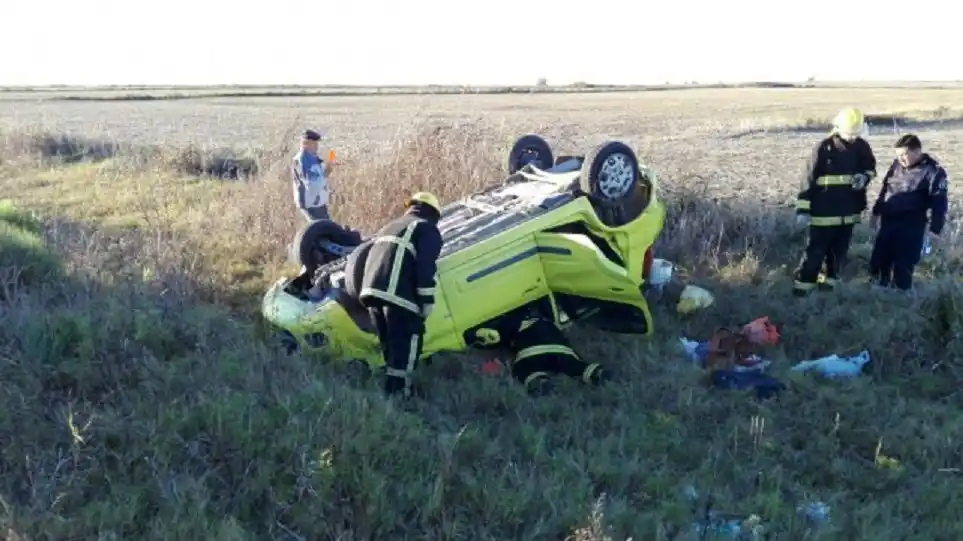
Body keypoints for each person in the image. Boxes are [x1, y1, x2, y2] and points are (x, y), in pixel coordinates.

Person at [343, 192, 444, 397]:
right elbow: (425, 267)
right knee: (407, 343)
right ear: (434, 213)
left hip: (370, 293)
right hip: (398, 296)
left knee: (390, 346)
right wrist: (426, 300)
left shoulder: (391, 226)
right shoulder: (426, 228)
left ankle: (390, 393)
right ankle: (401, 395)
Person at [792, 107, 877, 296]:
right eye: (849, 134)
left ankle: (828, 288)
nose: (852, 138)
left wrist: (864, 177)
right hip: (823, 214)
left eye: (855, 134)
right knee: (815, 252)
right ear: (838, 128)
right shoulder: (823, 147)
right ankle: (802, 290)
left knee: (838, 254)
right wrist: (803, 211)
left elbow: (871, 168)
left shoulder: (862, 147)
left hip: (848, 214)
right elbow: (807, 179)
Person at [868, 134, 949, 290]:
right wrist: (876, 212)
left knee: (903, 266)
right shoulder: (896, 165)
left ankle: (901, 297)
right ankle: (878, 293)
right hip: (889, 221)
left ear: (917, 151)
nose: (901, 159)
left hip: (911, 225)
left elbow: (939, 204)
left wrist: (935, 230)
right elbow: (885, 189)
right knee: (879, 262)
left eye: (904, 154)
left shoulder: (933, 171)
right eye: (898, 155)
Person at [292, 129, 334, 222]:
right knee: (322, 228)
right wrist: (325, 174)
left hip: (317, 203)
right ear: (306, 144)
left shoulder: (312, 158)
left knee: (326, 227)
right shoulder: (303, 160)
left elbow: (318, 176)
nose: (317, 147)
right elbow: (313, 183)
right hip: (311, 204)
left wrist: (327, 170)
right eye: (314, 144)